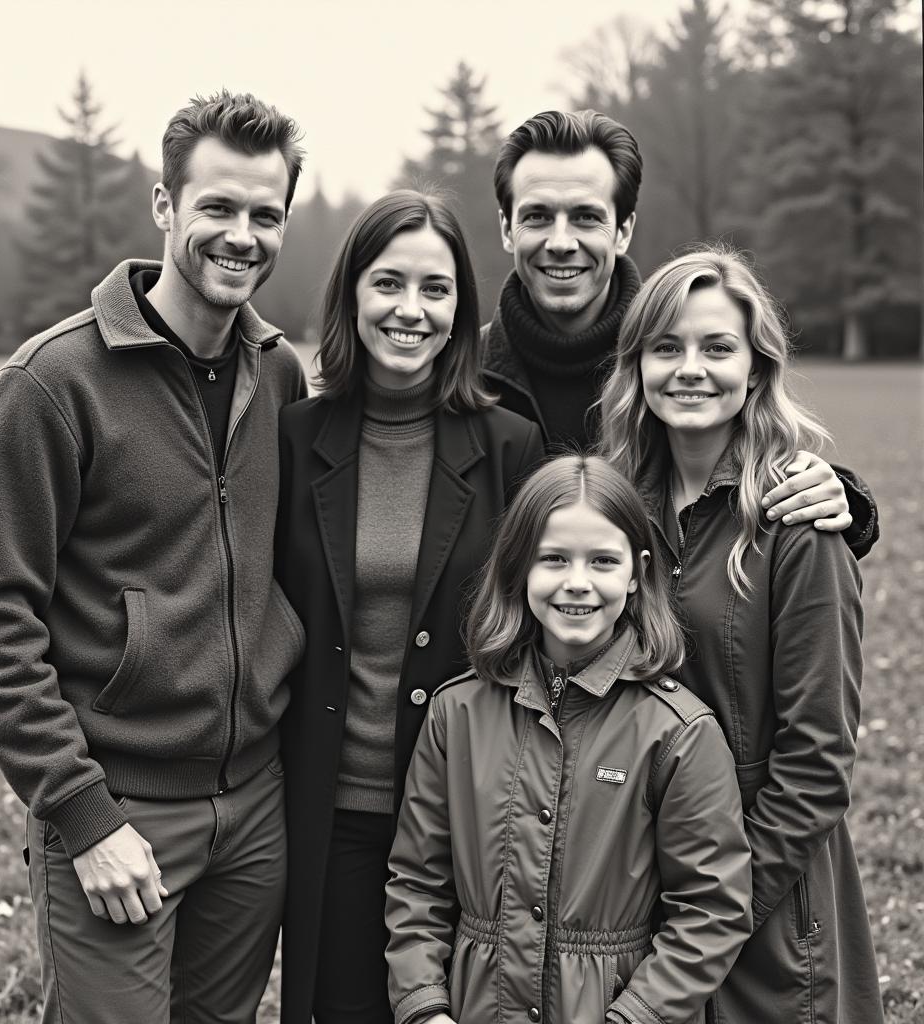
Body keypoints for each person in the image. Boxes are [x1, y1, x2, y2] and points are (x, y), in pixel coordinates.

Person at [0, 91, 308, 1024]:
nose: (241, 235)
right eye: (217, 208)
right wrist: (83, 814)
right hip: (118, 808)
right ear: (163, 205)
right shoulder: (50, 384)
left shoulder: (279, 375)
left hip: (255, 807)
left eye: (264, 215)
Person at [275, 189, 544, 1024]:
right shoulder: (291, 438)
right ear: (352, 293)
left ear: (461, 310)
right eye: (389, 283)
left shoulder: (509, 446)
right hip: (333, 814)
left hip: (465, 817)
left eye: (435, 290)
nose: (410, 310)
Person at [598, 247, 884, 1023]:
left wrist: (716, 909)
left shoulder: (799, 523)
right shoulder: (614, 511)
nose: (691, 369)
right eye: (667, 347)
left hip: (767, 902)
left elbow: (817, 762)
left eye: (717, 347)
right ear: (638, 368)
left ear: (756, 370)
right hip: (634, 885)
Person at [385, 455, 754, 1024]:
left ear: (636, 573)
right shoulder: (455, 713)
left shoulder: (678, 734)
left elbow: (711, 910)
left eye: (603, 561)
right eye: (553, 559)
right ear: (518, 570)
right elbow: (417, 883)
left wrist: (634, 1015)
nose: (577, 583)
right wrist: (425, 1007)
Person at [482, 108, 879, 557]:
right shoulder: (459, 373)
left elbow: (753, 460)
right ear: (506, 229)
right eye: (536, 216)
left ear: (623, 230)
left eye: (586, 217)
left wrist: (843, 498)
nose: (561, 241)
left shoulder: (673, 367)